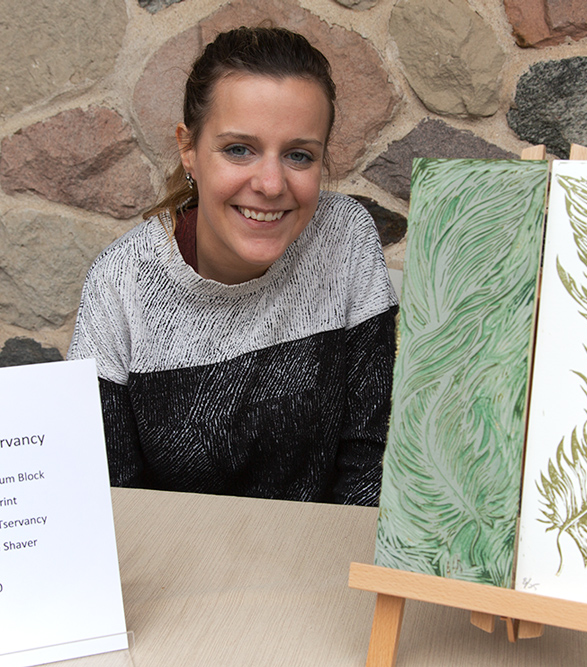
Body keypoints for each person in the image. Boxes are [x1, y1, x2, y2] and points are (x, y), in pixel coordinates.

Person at [68, 26, 398, 506]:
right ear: (189, 150)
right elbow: (107, 501)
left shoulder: (346, 238)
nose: (270, 183)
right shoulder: (120, 284)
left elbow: (370, 466)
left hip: (325, 567)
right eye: (238, 149)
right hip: (178, 574)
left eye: (298, 155)